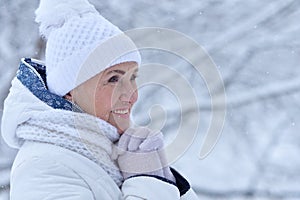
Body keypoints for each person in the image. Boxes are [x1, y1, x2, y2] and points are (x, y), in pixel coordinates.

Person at [1, 0, 199, 199]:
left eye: (133, 77)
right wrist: (147, 180)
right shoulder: (41, 168)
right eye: (113, 79)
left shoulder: (115, 152)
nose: (132, 94)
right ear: (69, 90)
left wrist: (165, 179)